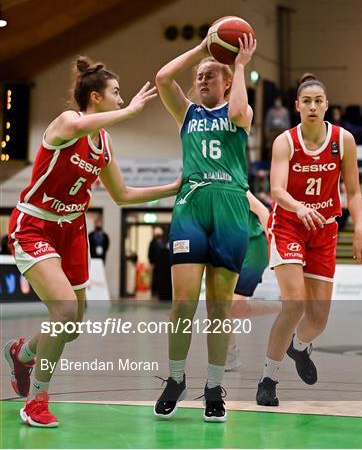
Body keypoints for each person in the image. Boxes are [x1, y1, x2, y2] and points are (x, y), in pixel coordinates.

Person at [3, 56, 182, 428]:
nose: (122, 98)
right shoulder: (67, 123)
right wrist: (131, 112)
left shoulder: (104, 143)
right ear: (96, 97)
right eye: (116, 93)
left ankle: (24, 352)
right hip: (36, 224)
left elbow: (123, 194)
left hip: (73, 231)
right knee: (65, 310)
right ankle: (37, 399)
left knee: (72, 326)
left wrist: (172, 188)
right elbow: (84, 122)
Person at [153, 32, 256, 422]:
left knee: (218, 306)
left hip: (230, 203)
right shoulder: (188, 113)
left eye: (210, 75)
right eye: (199, 76)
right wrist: (202, 50)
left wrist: (239, 64)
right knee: (183, 302)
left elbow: (239, 114)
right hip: (192, 203)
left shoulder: (237, 109)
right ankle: (176, 378)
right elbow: (163, 78)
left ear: (227, 82)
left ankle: (214, 387)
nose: (202, 80)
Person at [256, 73, 362, 407]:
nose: (312, 106)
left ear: (326, 105)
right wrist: (298, 206)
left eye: (318, 100)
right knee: (293, 304)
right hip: (290, 224)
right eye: (306, 101)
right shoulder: (285, 142)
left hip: (325, 228)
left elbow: (352, 190)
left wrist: (361, 228)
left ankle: (299, 346)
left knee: (318, 320)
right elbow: (277, 189)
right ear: (296, 106)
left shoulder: (343, 139)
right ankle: (268, 378)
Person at [225, 191, 281, 371]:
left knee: (225, 305)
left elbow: (263, 212)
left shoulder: (235, 185)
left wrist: (274, 247)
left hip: (252, 247)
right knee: (236, 309)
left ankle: (229, 357)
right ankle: (287, 308)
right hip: (233, 249)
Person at [148, 226, 165, 297]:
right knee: (155, 277)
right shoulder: (152, 242)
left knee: (161, 277)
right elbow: (150, 253)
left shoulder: (163, 241)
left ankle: (160, 291)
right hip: (155, 263)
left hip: (162, 263)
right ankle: (154, 291)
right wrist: (151, 262)